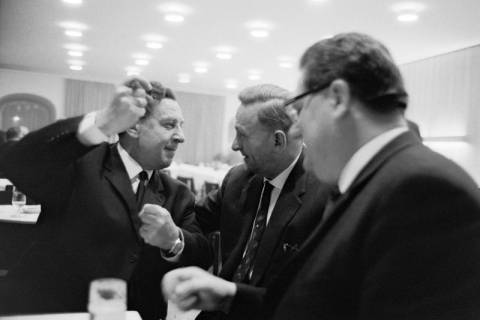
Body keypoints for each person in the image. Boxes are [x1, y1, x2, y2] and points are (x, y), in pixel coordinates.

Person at [162, 33, 480, 320]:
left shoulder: (422, 189)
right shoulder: (376, 180)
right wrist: (231, 295)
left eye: (300, 110)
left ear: (338, 99)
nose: (297, 129)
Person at [0, 79, 211, 320]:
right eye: (169, 125)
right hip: (61, 311)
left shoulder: (178, 194)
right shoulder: (80, 164)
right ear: (133, 128)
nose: (181, 136)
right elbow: (17, 161)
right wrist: (103, 122)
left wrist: (174, 241)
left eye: (181, 126)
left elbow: (202, 254)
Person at [192, 84, 331, 320]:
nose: (234, 145)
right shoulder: (238, 178)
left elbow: (316, 298)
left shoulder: (328, 193)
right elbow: (195, 222)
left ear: (278, 141)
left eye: (242, 135)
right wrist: (172, 239)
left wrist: (231, 296)